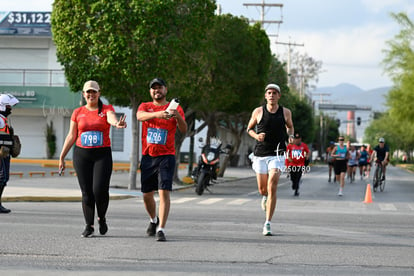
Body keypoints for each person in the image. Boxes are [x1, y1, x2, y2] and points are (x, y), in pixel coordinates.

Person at [59, 80, 127, 237]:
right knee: (87, 192)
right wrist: (62, 156)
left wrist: (117, 124)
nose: (91, 94)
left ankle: (101, 218)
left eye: (94, 91)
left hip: (102, 155)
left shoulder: (106, 109)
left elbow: (111, 118)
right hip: (82, 155)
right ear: (83, 94)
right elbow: (71, 135)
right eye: (88, 92)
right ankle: (89, 225)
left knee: (99, 190)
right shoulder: (78, 112)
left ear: (99, 93)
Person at [137, 78, 187, 242]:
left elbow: (184, 129)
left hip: (166, 156)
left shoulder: (175, 107)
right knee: (146, 195)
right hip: (148, 156)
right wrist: (158, 114)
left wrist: (177, 115)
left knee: (164, 191)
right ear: (150, 91)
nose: (157, 90)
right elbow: (140, 116)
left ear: (166, 90)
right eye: (154, 88)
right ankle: (153, 220)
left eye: (160, 87)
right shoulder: (145, 106)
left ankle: (161, 229)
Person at [246, 83, 294, 236]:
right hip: (260, 154)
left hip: (278, 154)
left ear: (279, 96)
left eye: (274, 93)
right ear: (265, 96)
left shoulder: (285, 112)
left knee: (272, 184)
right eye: (269, 93)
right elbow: (249, 129)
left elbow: (290, 126)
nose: (272, 95)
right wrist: (256, 136)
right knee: (263, 189)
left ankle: (267, 223)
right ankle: (265, 197)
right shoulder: (258, 111)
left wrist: (291, 135)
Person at [0, 94, 19, 213]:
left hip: (5, 154)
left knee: (4, 178)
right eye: (8, 106)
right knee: (1, 178)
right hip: (1, 155)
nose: (10, 109)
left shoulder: (3, 120)